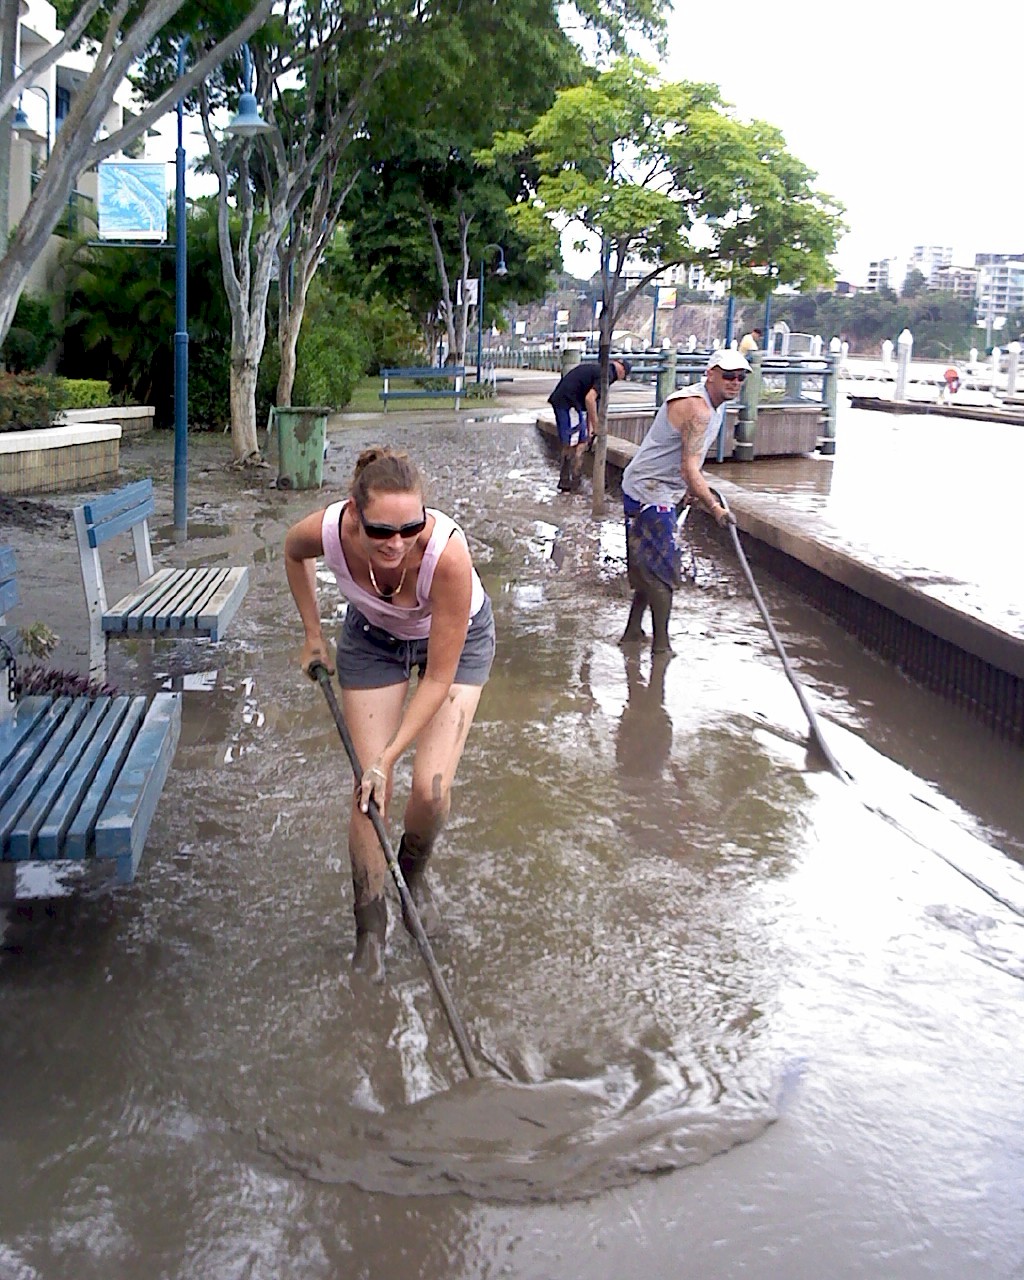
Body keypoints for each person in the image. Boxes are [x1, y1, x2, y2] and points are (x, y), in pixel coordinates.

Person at [284, 447, 496, 981]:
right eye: (381, 532)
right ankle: (370, 933)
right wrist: (313, 635)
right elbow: (292, 550)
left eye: (411, 528)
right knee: (369, 790)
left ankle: (413, 875)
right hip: (373, 639)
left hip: (454, 645)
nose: (397, 544)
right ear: (355, 515)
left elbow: (440, 678)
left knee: (430, 787)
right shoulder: (331, 531)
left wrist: (389, 755)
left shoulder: (446, 557)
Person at [619, 348, 749, 654]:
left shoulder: (714, 409)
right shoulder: (698, 409)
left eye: (740, 377)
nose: (735, 382)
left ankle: (633, 632)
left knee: (649, 564)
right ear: (710, 374)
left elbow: (689, 463)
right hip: (649, 490)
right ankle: (661, 647)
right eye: (728, 376)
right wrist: (715, 508)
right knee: (663, 572)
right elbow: (690, 468)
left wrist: (690, 490)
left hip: (660, 487)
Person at [547, 357, 631, 492]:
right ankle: (568, 481)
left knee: (581, 441)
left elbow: (591, 403)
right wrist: (596, 426)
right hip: (568, 403)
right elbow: (590, 399)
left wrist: (590, 428)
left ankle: (572, 481)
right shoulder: (607, 375)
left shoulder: (601, 369)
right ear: (622, 371)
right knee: (572, 443)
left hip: (572, 402)